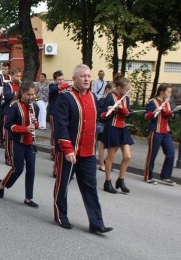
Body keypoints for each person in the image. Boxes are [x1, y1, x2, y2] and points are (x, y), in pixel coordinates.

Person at [53, 64, 113, 234]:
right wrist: (67, 148)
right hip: (70, 152)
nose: (87, 79)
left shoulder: (93, 97)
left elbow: (97, 116)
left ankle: (96, 222)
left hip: (87, 152)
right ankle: (60, 215)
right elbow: (61, 125)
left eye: (88, 76)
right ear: (74, 79)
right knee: (63, 185)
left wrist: (108, 112)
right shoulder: (65, 97)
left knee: (91, 187)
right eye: (82, 76)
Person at [0, 81, 40, 208]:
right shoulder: (14, 106)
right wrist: (24, 129)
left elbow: (36, 126)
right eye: (28, 94)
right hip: (16, 141)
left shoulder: (35, 107)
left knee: (31, 169)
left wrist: (35, 124)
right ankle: (2, 184)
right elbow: (8, 125)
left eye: (33, 94)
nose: (31, 97)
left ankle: (28, 198)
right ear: (21, 93)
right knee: (18, 168)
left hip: (30, 142)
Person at [100, 75, 134, 194]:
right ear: (119, 87)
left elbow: (128, 113)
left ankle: (121, 180)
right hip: (112, 128)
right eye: (125, 89)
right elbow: (102, 115)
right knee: (111, 157)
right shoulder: (110, 97)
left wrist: (122, 109)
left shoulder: (125, 99)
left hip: (122, 128)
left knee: (127, 156)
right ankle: (107, 181)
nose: (126, 91)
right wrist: (112, 110)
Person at [144, 84, 176, 186]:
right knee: (152, 155)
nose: (169, 94)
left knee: (171, 153)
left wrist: (169, 112)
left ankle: (165, 176)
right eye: (168, 92)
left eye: (170, 92)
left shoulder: (168, 102)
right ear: (161, 92)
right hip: (155, 131)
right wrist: (154, 113)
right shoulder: (153, 102)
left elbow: (172, 114)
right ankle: (148, 176)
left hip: (165, 131)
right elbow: (145, 116)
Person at [2, 68, 22, 165]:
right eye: (16, 76)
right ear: (12, 75)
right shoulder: (7, 84)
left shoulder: (21, 85)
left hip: (20, 112)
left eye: (19, 76)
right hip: (9, 112)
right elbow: (8, 96)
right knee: (8, 136)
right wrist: (19, 93)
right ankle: (8, 157)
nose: (18, 78)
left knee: (18, 136)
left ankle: (17, 157)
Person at [98, 83, 115, 171]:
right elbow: (100, 113)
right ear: (107, 89)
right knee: (102, 144)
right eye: (112, 91)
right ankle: (101, 164)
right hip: (102, 124)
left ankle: (106, 161)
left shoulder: (111, 99)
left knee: (114, 144)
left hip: (109, 124)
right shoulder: (102, 99)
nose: (113, 93)